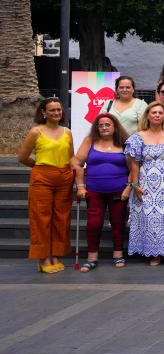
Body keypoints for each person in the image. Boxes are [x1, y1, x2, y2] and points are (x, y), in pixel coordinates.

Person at [125, 101, 164, 266]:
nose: (157, 115)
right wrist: (135, 185)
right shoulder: (138, 137)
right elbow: (134, 164)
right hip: (147, 184)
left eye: (160, 113)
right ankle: (154, 254)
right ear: (148, 115)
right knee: (151, 218)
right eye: (154, 113)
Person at [18, 98, 74, 273]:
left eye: (59, 109)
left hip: (64, 177)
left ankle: (56, 253)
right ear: (43, 112)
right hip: (42, 176)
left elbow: (71, 157)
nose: (56, 113)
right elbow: (22, 157)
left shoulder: (67, 132)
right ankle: (44, 257)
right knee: (41, 218)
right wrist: (38, 167)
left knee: (62, 217)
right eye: (52, 110)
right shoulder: (36, 131)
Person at [71, 114, 130, 271]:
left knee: (118, 223)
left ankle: (118, 254)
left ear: (115, 126)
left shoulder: (124, 143)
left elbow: (134, 167)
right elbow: (77, 163)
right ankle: (92, 257)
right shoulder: (89, 141)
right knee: (93, 224)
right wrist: (81, 186)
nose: (104, 127)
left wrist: (129, 187)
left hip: (119, 191)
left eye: (107, 124)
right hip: (94, 191)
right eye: (100, 125)